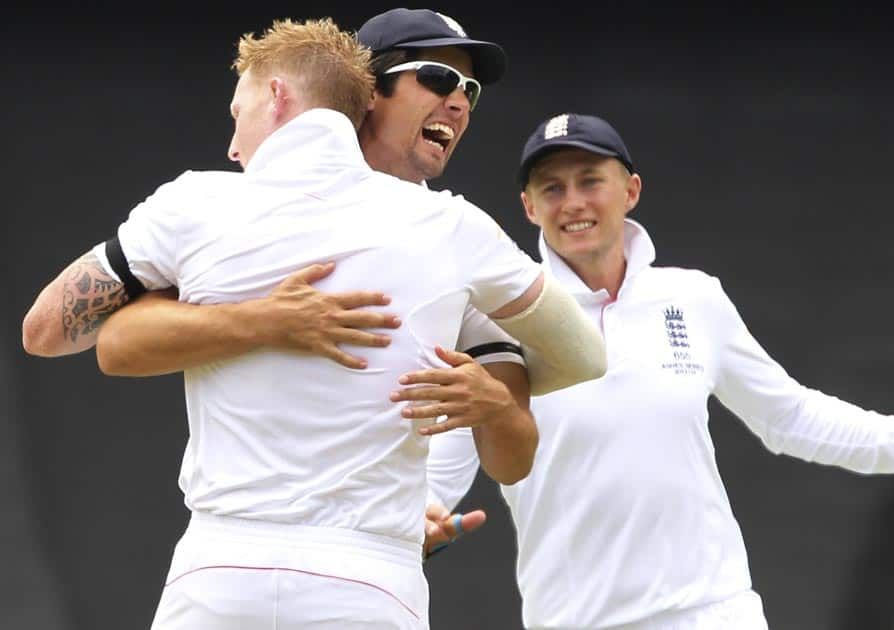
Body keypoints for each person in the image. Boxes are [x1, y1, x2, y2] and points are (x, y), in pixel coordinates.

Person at [21, 19, 606, 630]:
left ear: (276, 97)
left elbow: (69, 334)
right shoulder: (454, 234)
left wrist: (494, 407)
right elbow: (113, 344)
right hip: (350, 576)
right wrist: (268, 321)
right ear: (367, 89)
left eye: (470, 91)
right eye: (437, 78)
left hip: (239, 570)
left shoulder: (204, 208)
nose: (459, 101)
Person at [415, 112, 894, 629]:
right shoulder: (498, 324)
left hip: (715, 613)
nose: (573, 203)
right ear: (529, 207)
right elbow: (446, 465)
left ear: (630, 190)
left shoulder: (693, 298)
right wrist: (419, 515)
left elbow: (789, 414)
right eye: (552, 188)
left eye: (590, 181)